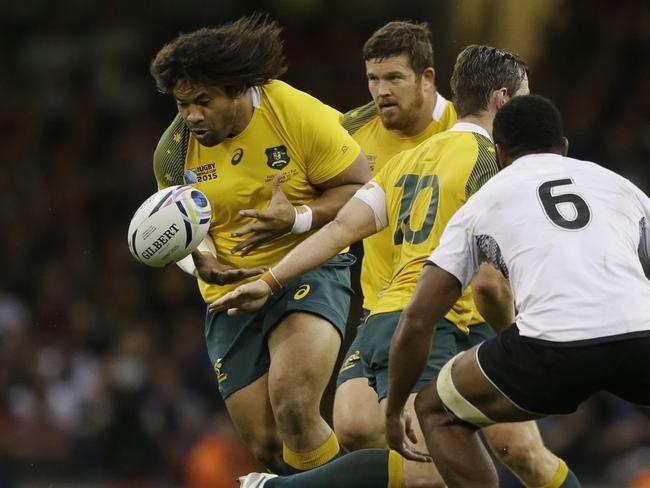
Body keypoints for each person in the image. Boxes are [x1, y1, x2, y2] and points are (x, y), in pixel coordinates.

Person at [221, 46, 578, 488]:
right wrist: (527, 343)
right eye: (524, 97)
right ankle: (280, 486)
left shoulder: (408, 159)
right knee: (433, 472)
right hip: (435, 324)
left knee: (365, 431)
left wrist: (271, 279)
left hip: (388, 321)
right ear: (503, 101)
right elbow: (489, 280)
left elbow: (339, 232)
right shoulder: (493, 165)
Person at [386, 94, 650, 488]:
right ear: (564, 146)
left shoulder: (482, 204)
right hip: (640, 335)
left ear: (500, 154)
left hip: (552, 349)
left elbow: (418, 318)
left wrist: (394, 410)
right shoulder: (619, 186)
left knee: (436, 410)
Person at [149, 14, 371, 475]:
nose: (191, 115)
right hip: (229, 295)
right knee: (268, 447)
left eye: (203, 101)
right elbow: (185, 224)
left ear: (237, 88)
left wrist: (298, 218)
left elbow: (359, 189)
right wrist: (202, 260)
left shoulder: (295, 113)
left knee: (293, 405)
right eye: (182, 103)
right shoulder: (173, 152)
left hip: (307, 268)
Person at [335, 20, 457, 452]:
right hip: (381, 310)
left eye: (394, 78)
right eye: (373, 78)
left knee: (515, 449)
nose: (381, 90)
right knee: (352, 425)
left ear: (427, 78)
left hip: (454, 311)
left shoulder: (465, 131)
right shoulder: (349, 132)